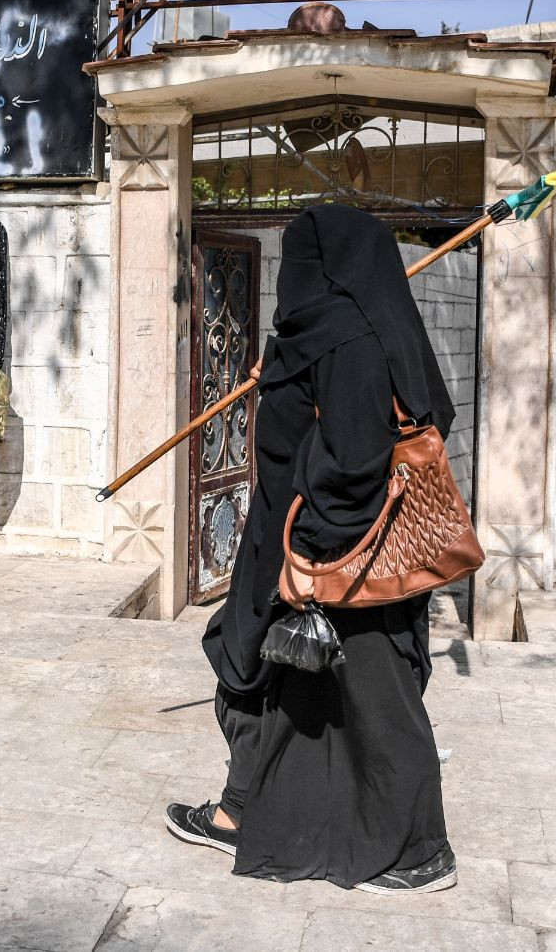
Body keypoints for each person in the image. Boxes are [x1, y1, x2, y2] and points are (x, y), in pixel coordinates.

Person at [165, 203, 458, 894]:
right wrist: (284, 374)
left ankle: (421, 851)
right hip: (334, 550)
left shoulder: (345, 337)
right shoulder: (353, 330)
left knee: (368, 703)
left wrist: (310, 556)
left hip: (330, 558)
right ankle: (241, 811)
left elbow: (356, 457)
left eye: (298, 258)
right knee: (269, 679)